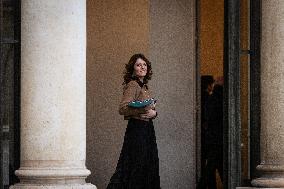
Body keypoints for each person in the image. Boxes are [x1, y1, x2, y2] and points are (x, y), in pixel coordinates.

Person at [106, 53, 161, 189]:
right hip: (137, 131)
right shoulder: (133, 85)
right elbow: (123, 108)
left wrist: (154, 114)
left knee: (148, 164)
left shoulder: (145, 86)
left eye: (144, 65)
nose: (142, 67)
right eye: (138, 65)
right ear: (133, 69)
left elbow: (150, 109)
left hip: (147, 130)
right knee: (137, 165)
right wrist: (143, 111)